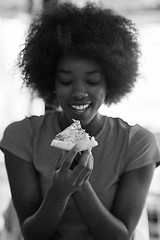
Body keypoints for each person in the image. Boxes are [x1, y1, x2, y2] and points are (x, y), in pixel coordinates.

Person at [0, 1, 160, 240]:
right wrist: (59, 192)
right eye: (65, 81)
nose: (79, 92)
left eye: (93, 81)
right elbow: (32, 234)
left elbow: (121, 236)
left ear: (111, 83)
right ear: (51, 83)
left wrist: (78, 185)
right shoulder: (20, 136)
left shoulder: (137, 142)